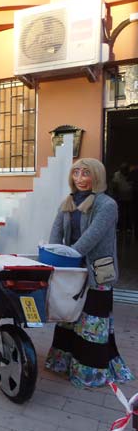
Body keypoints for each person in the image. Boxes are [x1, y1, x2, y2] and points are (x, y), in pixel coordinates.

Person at [45, 158, 134, 388]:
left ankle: (89, 373)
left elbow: (90, 238)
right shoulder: (68, 201)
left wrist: (67, 255)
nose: (80, 179)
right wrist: (53, 254)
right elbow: (55, 233)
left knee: (92, 322)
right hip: (72, 268)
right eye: (76, 173)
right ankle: (62, 364)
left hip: (97, 272)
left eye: (86, 173)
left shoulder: (107, 204)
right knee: (69, 317)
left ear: (97, 176)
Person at [110, 163, 132, 232]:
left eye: (126, 170)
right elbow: (114, 186)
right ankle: (119, 227)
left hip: (130, 197)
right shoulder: (117, 175)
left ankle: (129, 227)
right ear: (121, 170)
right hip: (119, 197)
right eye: (123, 170)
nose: (124, 171)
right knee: (119, 213)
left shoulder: (131, 175)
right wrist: (115, 196)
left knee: (129, 213)